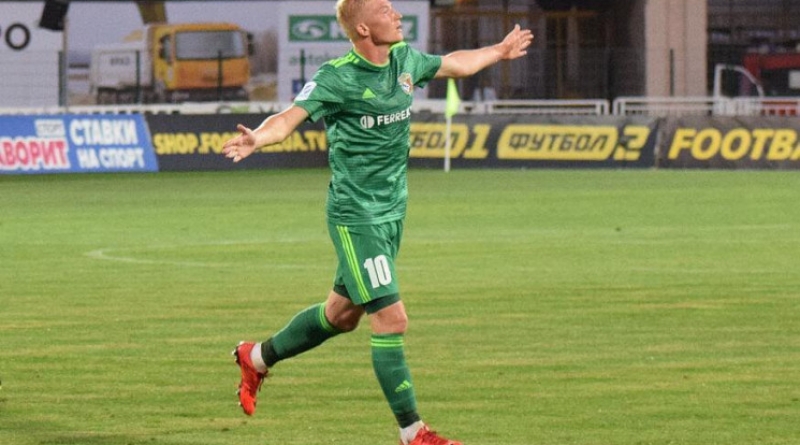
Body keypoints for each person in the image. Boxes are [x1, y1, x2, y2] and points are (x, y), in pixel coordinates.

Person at [222, 1, 532, 444]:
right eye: (385, 10)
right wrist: (259, 137)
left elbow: (454, 64)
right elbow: (289, 118)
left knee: (341, 316)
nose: (397, 14)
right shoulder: (337, 77)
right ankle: (413, 433)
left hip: (392, 212)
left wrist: (498, 52)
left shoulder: (404, 60)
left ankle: (256, 358)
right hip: (357, 217)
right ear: (364, 28)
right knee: (391, 318)